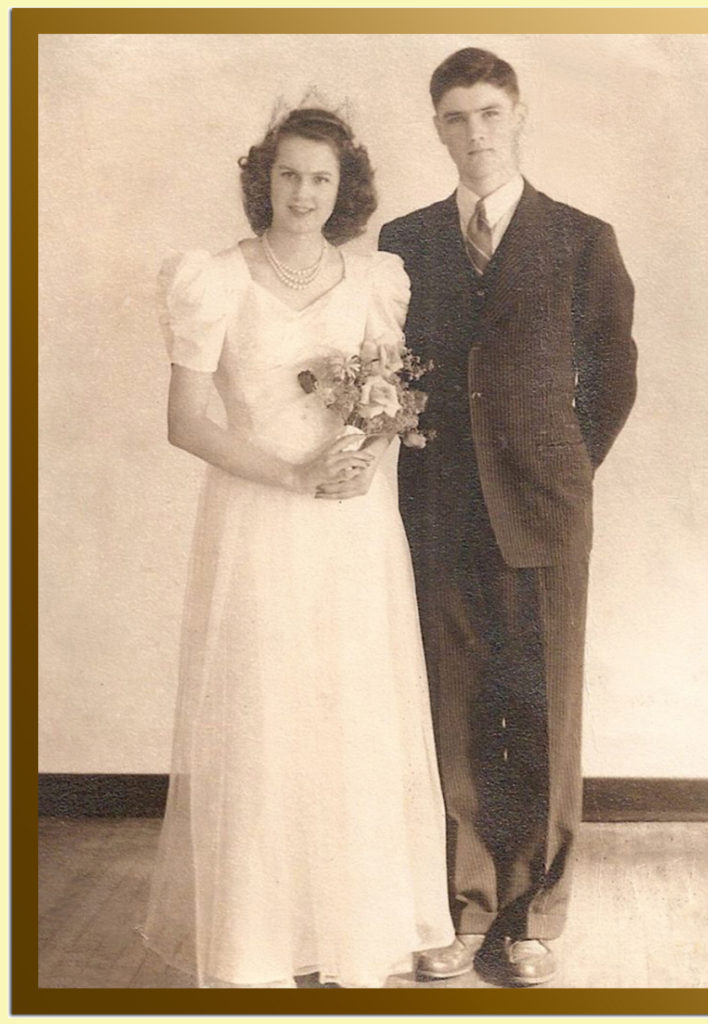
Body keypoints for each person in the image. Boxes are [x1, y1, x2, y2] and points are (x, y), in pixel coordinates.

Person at [142, 106, 454, 989]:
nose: (303, 194)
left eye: (320, 178)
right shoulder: (212, 279)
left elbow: (388, 404)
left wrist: (363, 456)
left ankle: (354, 928)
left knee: (349, 715)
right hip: (258, 524)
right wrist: (289, 474)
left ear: (342, 187)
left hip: (351, 531)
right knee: (267, 715)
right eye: (287, 176)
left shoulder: (373, 279)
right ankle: (261, 943)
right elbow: (185, 421)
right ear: (262, 180)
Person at [379, 48, 637, 987]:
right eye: (455, 118)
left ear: (517, 115)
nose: (474, 135)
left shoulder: (579, 236)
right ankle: (462, 912)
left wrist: (560, 468)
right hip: (437, 512)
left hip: (544, 513)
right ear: (437, 127)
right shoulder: (404, 241)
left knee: (540, 713)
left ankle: (531, 921)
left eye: (489, 114)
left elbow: (613, 375)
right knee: (449, 714)